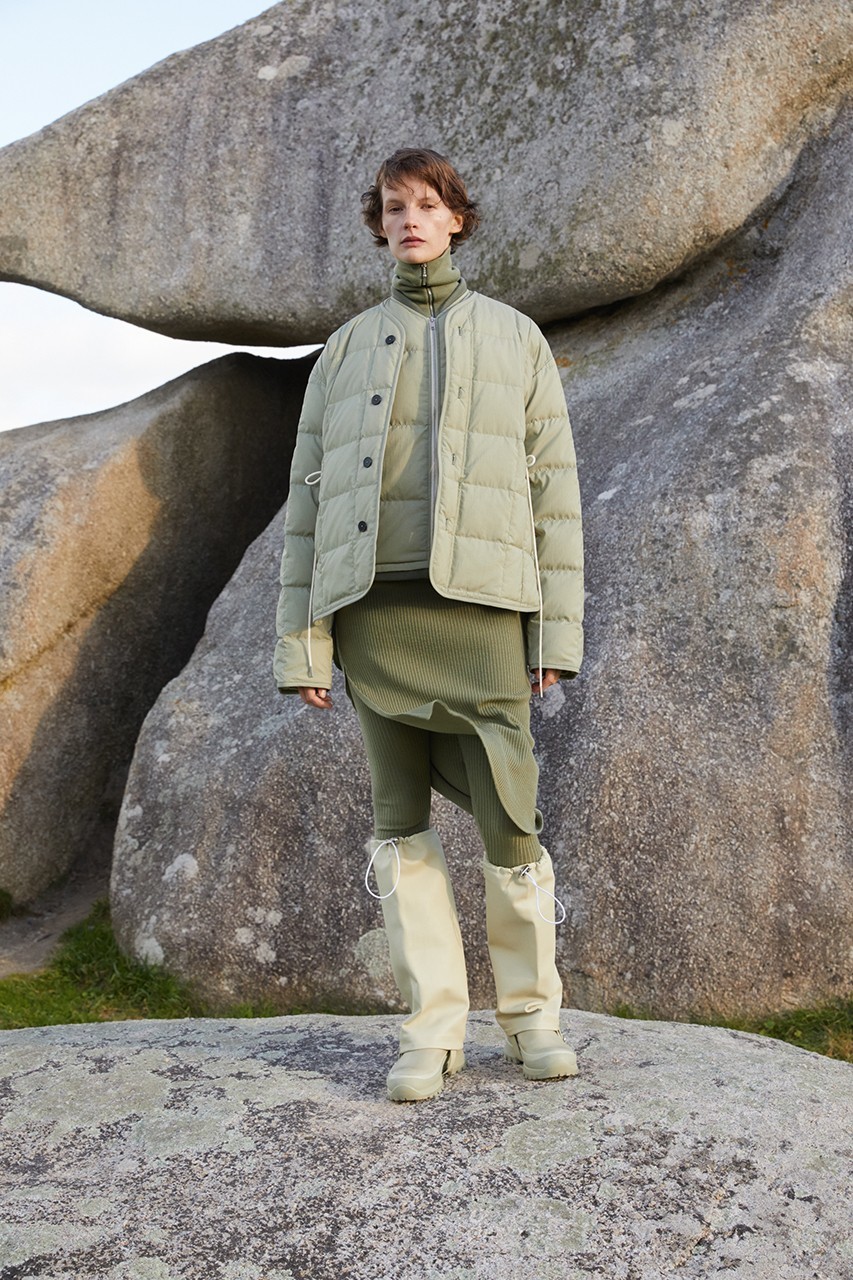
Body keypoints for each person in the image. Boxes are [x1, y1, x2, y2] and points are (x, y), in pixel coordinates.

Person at [274, 148, 583, 1102]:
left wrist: (554, 635)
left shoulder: (517, 337)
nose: (409, 218)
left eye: (427, 203)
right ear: (378, 225)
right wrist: (304, 642)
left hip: (485, 610)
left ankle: (530, 1018)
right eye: (392, 205)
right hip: (374, 613)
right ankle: (432, 1031)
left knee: (512, 821)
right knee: (397, 820)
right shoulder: (343, 349)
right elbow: (307, 504)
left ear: (457, 218)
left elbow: (554, 494)